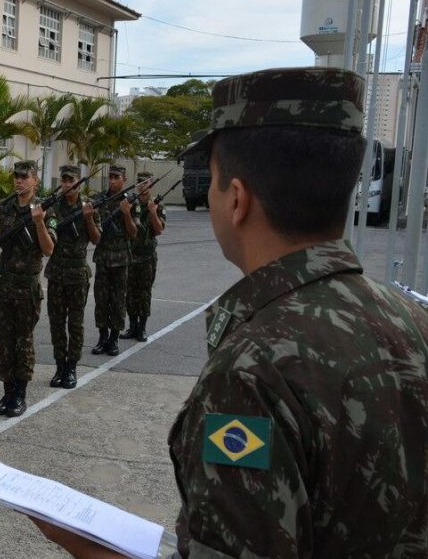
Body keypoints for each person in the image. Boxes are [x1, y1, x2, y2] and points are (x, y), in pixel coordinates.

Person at [35, 66, 428, 558]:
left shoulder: (253, 370)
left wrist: (90, 548)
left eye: (216, 182)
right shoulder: (411, 318)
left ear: (237, 199)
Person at [0, 160, 55, 418]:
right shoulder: (5, 208)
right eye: (16, 176)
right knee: (5, 343)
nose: (18, 181)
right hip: (4, 285)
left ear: (35, 180)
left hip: (27, 287)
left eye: (24, 176)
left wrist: (38, 223)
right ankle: (7, 392)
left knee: (23, 342)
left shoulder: (44, 210)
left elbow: (49, 249)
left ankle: (20, 394)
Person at [44, 165, 100, 389]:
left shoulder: (88, 207)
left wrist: (87, 219)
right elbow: (51, 230)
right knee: (57, 323)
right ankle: (59, 365)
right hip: (57, 272)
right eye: (64, 180)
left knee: (75, 324)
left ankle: (71, 367)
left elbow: (96, 239)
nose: (67, 184)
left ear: (79, 183)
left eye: (71, 180)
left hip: (77, 274)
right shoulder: (54, 208)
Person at [91, 165, 136, 357]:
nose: (112, 180)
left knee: (118, 301)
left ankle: (114, 338)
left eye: (116, 177)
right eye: (110, 177)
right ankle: (102, 337)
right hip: (103, 258)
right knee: (101, 300)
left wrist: (126, 213)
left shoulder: (129, 201)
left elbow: (134, 232)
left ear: (124, 179)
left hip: (121, 260)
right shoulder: (100, 199)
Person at [121, 172, 165, 342]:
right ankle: (132, 326)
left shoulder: (157, 204)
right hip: (132, 254)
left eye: (145, 183)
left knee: (144, 293)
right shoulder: (132, 203)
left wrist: (153, 212)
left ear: (151, 185)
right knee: (130, 292)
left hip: (147, 256)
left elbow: (159, 230)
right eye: (139, 183)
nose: (142, 186)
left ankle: (142, 327)